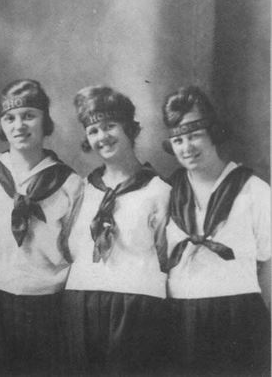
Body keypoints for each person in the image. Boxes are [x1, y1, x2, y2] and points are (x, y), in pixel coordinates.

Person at [0, 79, 82, 375]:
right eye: (10, 118)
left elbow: (77, 249)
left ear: (45, 120)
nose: (19, 125)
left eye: (29, 115)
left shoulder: (70, 183)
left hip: (46, 304)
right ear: (2, 125)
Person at [162, 85, 271, 376]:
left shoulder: (255, 190)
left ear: (213, 133)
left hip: (238, 316)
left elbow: (268, 264)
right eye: (179, 140)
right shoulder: (166, 193)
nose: (187, 147)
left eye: (195, 135)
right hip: (179, 318)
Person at [62, 86, 170, 375]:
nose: (102, 137)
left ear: (128, 130)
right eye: (94, 130)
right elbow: (70, 249)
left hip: (135, 306)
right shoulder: (81, 189)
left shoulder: (158, 191)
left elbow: (166, 257)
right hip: (80, 302)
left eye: (110, 126)